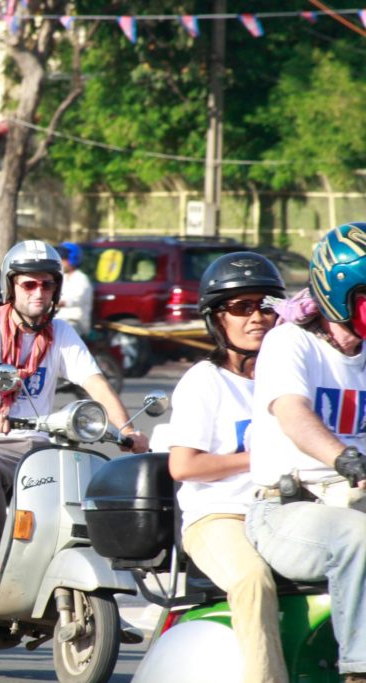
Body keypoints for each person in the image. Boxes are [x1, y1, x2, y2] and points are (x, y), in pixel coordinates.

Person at [0, 239, 149, 587]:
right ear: (11, 287)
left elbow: (94, 381)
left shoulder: (60, 332)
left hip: (40, 444)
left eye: (47, 284)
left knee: (91, 480)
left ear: (56, 288)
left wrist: (126, 429)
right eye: (29, 284)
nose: (38, 293)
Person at [246, 222, 366, 683]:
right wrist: (344, 457)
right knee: (358, 536)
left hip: (350, 500)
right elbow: (293, 414)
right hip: (286, 510)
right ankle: (359, 669)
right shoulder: (289, 343)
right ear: (340, 295)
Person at [166, 252, 288, 683]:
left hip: (286, 510)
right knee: (253, 580)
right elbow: (183, 465)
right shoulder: (205, 381)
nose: (257, 317)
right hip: (220, 516)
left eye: (266, 305)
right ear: (217, 318)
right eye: (242, 307)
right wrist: (262, 457)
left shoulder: (291, 375)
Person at [56, 242, 93, 337]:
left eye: (63, 259)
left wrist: (61, 302)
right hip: (59, 320)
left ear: (72, 260)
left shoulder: (81, 278)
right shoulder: (62, 278)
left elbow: (77, 298)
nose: (60, 262)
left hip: (75, 322)